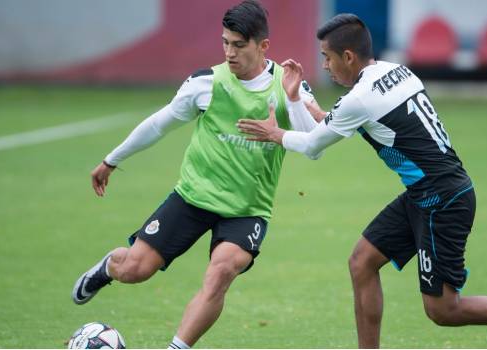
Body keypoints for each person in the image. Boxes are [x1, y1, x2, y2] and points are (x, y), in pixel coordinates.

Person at [237, 14, 487, 349]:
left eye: (327, 57)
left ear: (349, 57)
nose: (324, 65)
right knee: (362, 262)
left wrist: (274, 133)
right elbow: (339, 122)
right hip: (428, 192)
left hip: (442, 200)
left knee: (443, 309)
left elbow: (314, 145)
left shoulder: (360, 97)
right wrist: (299, 99)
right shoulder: (393, 71)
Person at [71, 1, 319, 348]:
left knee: (221, 272)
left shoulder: (288, 84)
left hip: (247, 210)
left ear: (263, 46)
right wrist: (112, 159)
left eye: (238, 45)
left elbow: (315, 144)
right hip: (192, 198)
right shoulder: (206, 83)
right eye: (225, 43)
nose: (229, 53)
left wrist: (292, 102)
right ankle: (108, 268)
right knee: (134, 270)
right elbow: (159, 124)